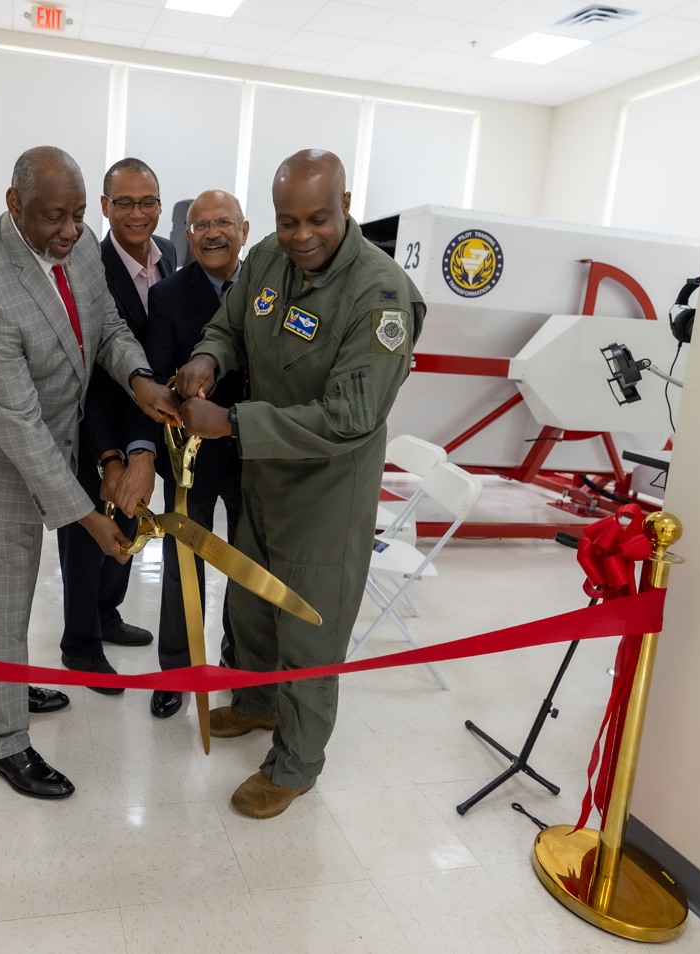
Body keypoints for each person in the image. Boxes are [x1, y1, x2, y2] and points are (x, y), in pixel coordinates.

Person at [0, 145, 181, 800]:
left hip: (39, 439)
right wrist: (89, 518)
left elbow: (107, 323)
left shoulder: (80, 240)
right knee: (8, 590)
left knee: (5, 589)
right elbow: (16, 425)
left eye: (76, 216)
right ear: (14, 206)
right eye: (53, 219)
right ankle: (4, 743)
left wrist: (139, 378)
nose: (70, 231)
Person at [175, 150, 424, 819]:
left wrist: (228, 421)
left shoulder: (381, 297)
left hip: (325, 495)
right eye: (289, 220)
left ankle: (297, 764)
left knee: (308, 633)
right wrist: (207, 356)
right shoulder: (265, 259)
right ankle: (257, 702)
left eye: (318, 218)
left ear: (346, 205)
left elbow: (352, 417)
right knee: (252, 608)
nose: (302, 235)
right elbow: (230, 326)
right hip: (264, 479)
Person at [56, 158, 178, 693]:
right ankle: (79, 645)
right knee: (87, 536)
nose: (137, 213)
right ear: (103, 208)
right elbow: (91, 375)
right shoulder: (87, 266)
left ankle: (107, 615)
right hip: (93, 419)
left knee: (130, 526)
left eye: (147, 201)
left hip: (146, 420)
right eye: (124, 202)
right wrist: (110, 454)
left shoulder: (169, 254)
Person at [144, 189, 250, 719]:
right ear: (187, 234)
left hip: (256, 453)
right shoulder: (166, 296)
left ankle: (238, 664)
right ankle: (177, 672)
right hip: (190, 457)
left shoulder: (268, 290)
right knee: (183, 565)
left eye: (224, 222)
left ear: (244, 230)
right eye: (201, 224)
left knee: (248, 563)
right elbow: (162, 374)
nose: (212, 232)